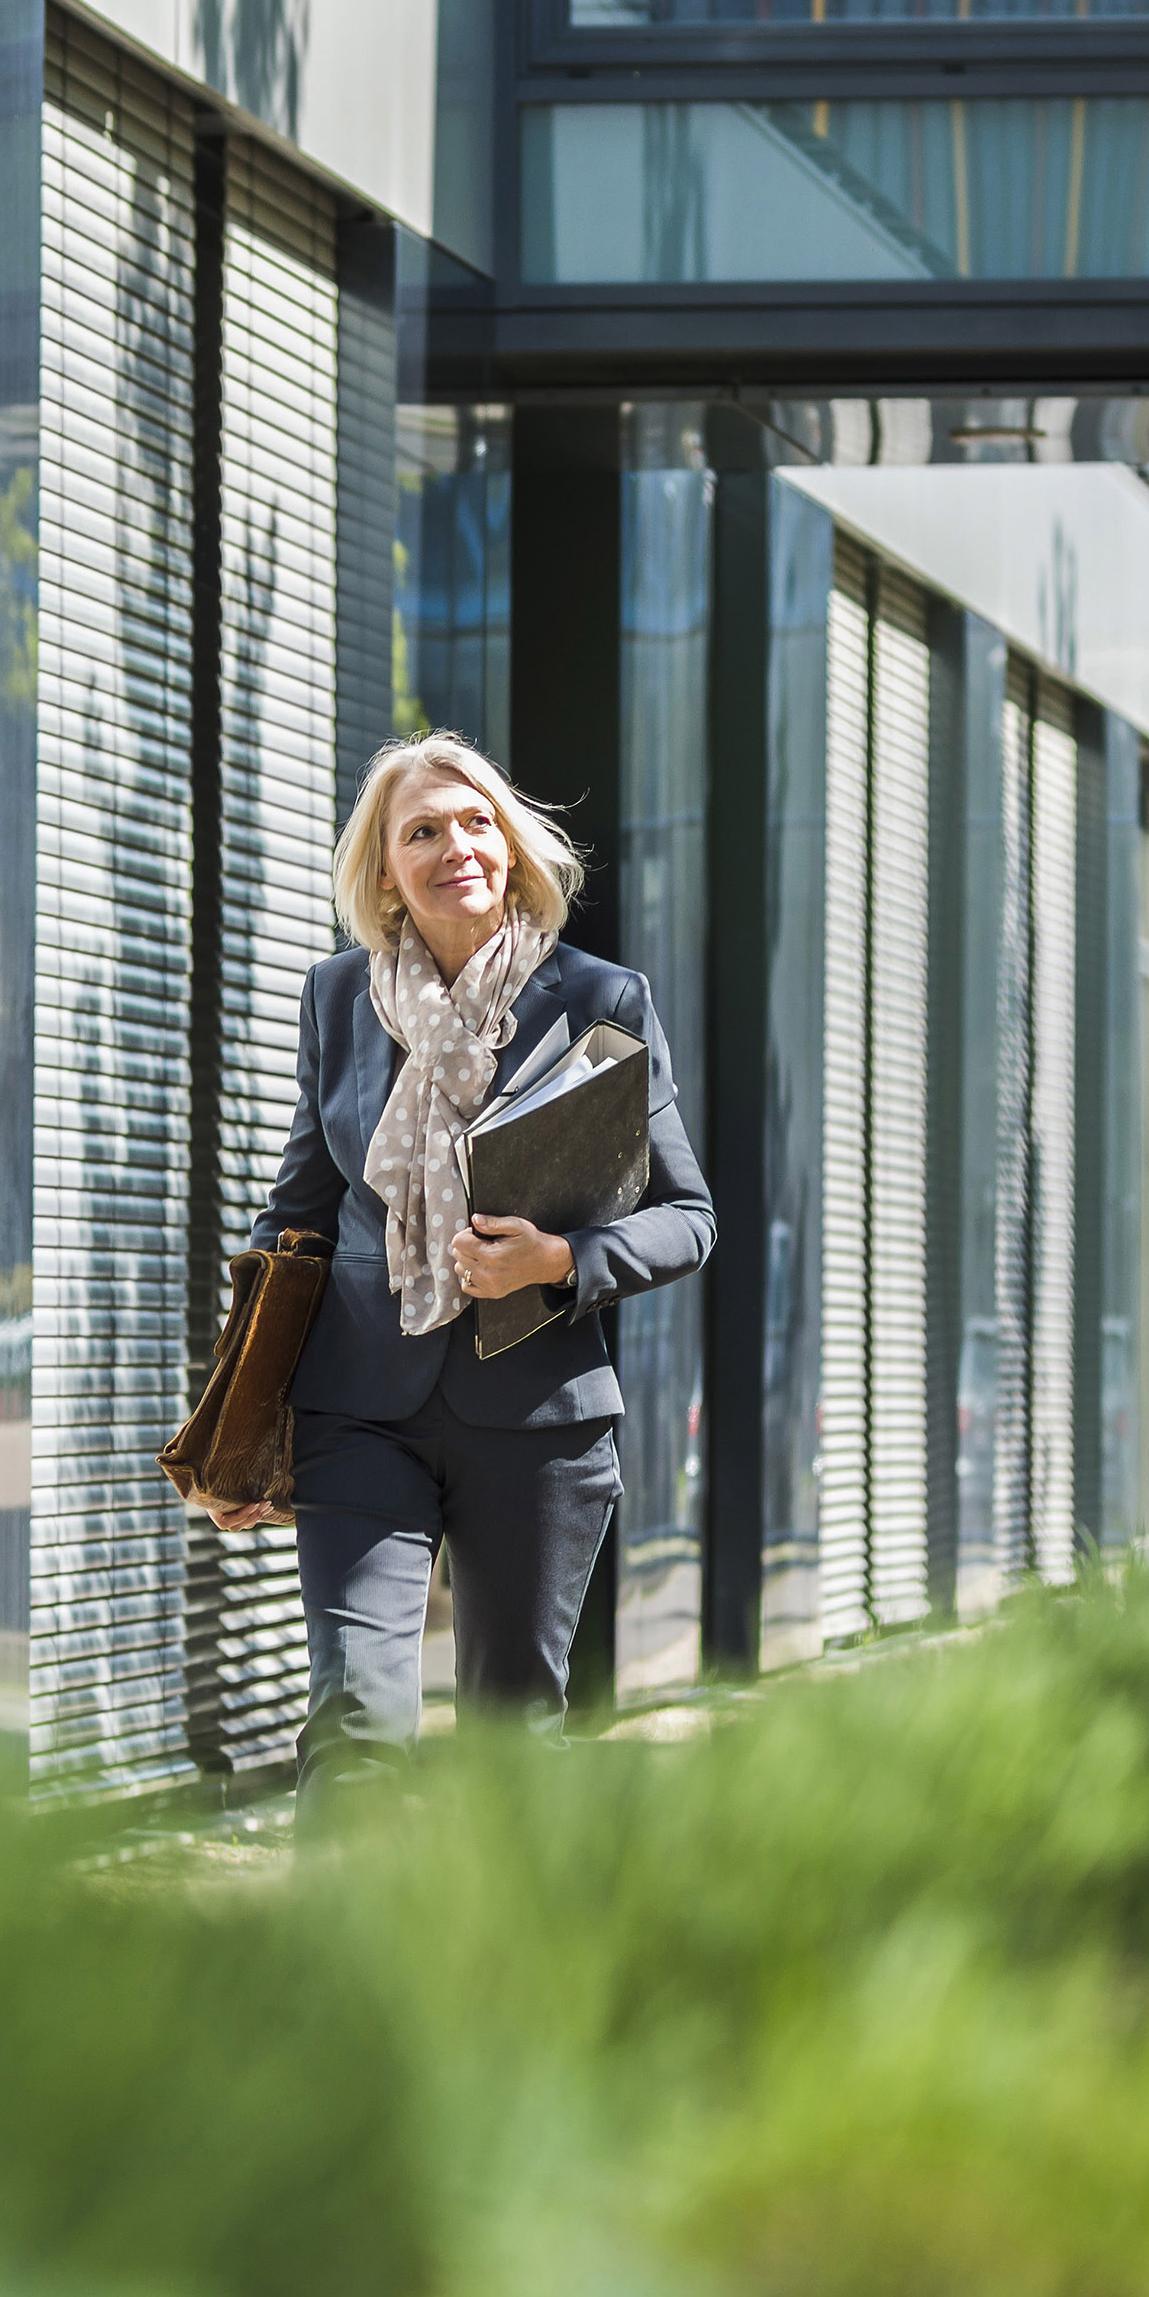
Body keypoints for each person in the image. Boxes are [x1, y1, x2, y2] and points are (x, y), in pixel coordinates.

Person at [218, 731, 714, 1799]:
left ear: (514, 845)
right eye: (423, 831)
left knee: (509, 1747)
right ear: (386, 868)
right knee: (354, 1725)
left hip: (540, 1425)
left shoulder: (598, 1000)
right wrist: (239, 1416)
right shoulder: (339, 999)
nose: (457, 847)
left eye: (477, 822)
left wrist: (561, 1260)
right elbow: (297, 1213)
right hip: (361, 1412)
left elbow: (690, 1216)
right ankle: (339, 1962)